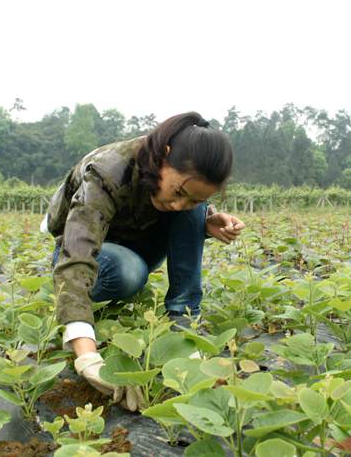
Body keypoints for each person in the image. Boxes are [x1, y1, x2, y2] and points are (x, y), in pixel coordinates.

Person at [45, 111, 245, 411]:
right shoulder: (108, 170)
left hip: (134, 244)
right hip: (82, 248)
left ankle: (183, 320)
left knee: (183, 216)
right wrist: (87, 356)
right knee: (128, 272)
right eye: (178, 192)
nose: (179, 205)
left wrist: (202, 221)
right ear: (165, 156)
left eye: (195, 199)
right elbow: (78, 257)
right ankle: (84, 306)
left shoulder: (180, 189)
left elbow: (176, 206)